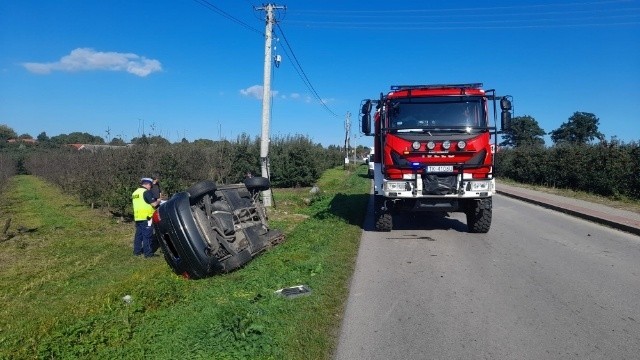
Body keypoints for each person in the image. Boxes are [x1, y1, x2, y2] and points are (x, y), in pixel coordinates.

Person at [132, 177, 160, 258]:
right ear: (147, 184)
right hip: (147, 217)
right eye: (150, 185)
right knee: (147, 236)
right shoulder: (146, 192)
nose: (151, 187)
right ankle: (148, 254)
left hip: (138, 217)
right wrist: (158, 200)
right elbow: (154, 204)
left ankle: (137, 252)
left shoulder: (135, 193)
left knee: (138, 235)